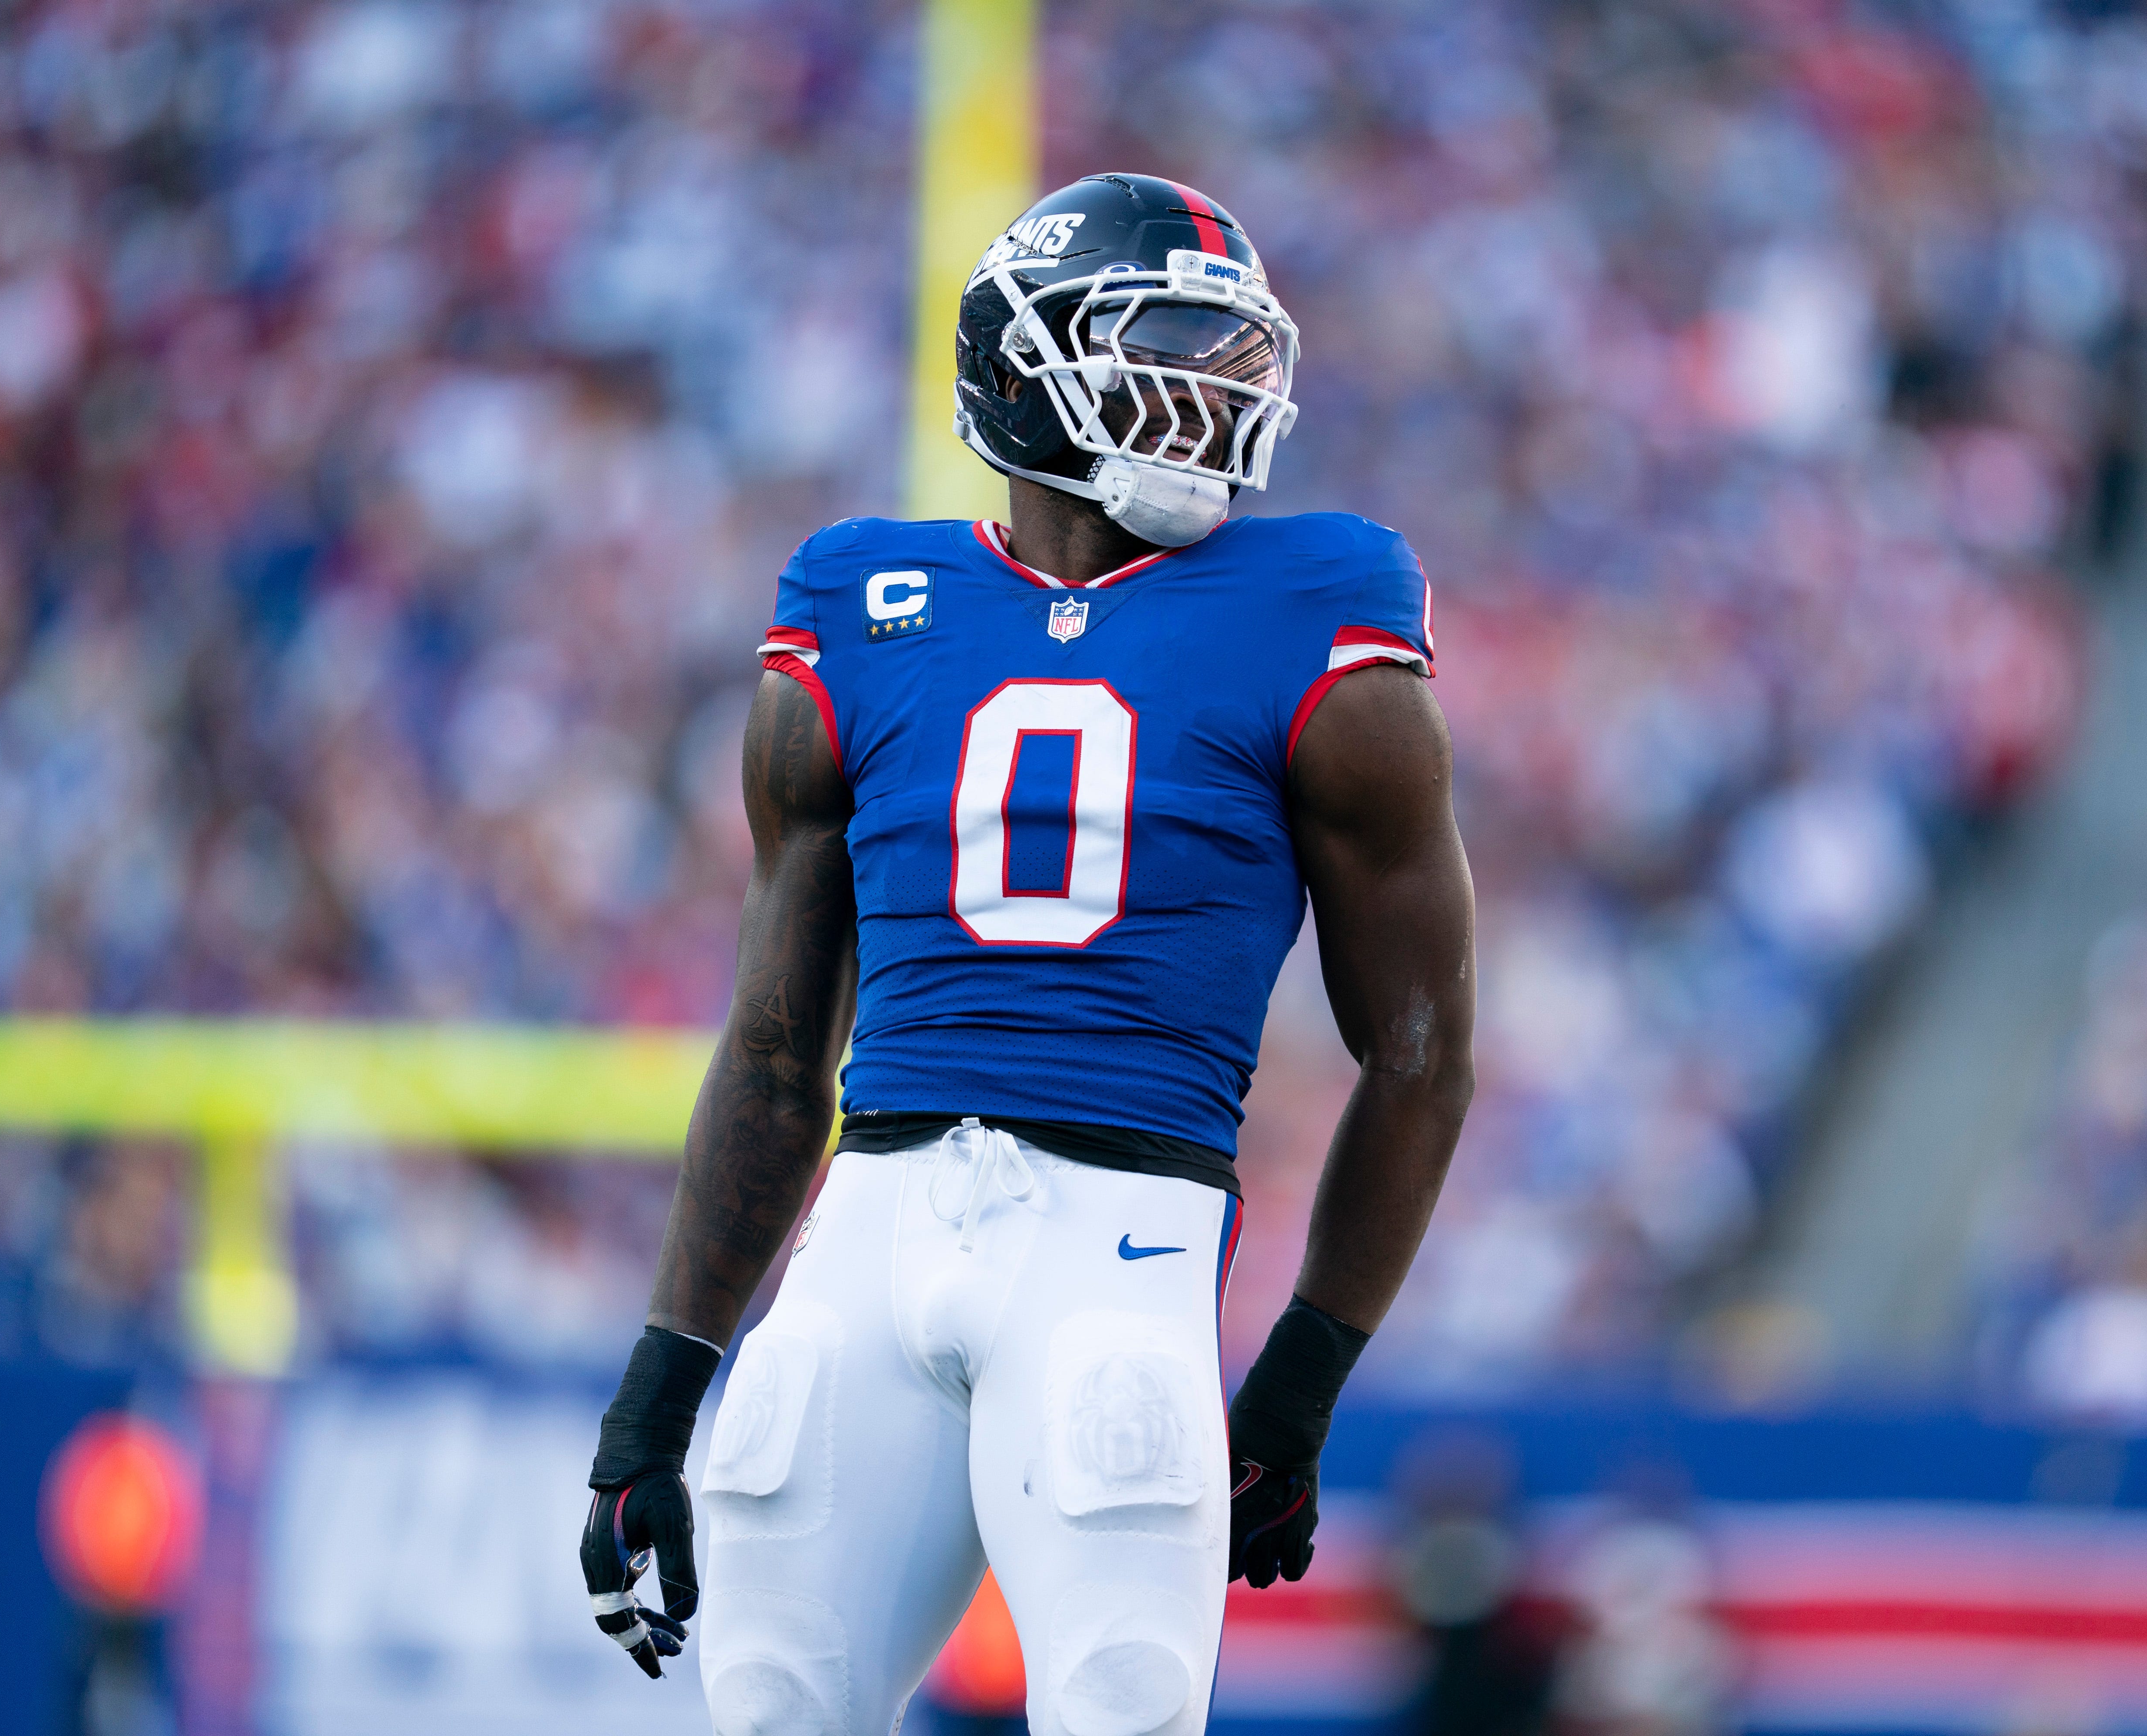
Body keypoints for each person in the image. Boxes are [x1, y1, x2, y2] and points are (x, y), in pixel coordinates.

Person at [575, 171, 1476, 1736]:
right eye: (1166, 347)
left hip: (1115, 1253)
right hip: (858, 1251)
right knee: (771, 1711)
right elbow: (780, 1051)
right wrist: (662, 1384)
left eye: (1230, 353)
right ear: (1028, 363)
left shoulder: (1319, 602)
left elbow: (1422, 1053)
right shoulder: (859, 603)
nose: (1214, 394)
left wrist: (1307, 1370)